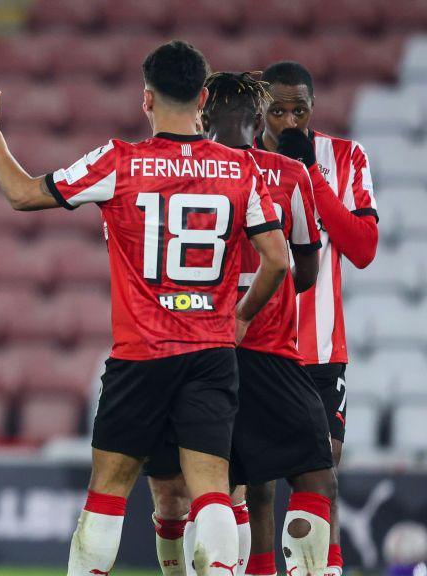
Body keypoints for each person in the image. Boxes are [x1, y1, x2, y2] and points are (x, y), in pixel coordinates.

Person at [0, 40, 289, 576]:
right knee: (212, 490)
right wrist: (240, 317)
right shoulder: (242, 171)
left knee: (108, 493)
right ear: (203, 98)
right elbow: (277, 261)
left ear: (146, 99)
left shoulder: (119, 161)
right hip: (209, 353)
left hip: (141, 356)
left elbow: (22, 194)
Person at [143, 72, 337, 576]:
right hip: (269, 352)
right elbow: (306, 271)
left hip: (192, 353)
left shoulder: (177, 174)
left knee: (215, 492)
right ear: (260, 120)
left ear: (203, 116)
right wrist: (256, 309)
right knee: (315, 480)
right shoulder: (287, 174)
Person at [251, 61, 380, 576]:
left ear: (313, 108)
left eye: (298, 109)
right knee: (255, 488)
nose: (287, 121)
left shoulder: (345, 157)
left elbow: (363, 248)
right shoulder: (237, 161)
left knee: (321, 479)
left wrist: (311, 177)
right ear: (261, 110)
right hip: (256, 347)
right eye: (277, 110)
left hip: (320, 352)